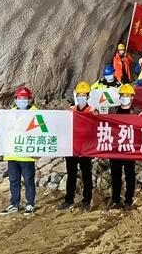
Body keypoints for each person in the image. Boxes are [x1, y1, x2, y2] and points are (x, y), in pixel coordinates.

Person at [0, 86, 38, 216]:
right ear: (15, 100)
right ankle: (14, 204)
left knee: (28, 181)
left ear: (29, 99)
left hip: (27, 155)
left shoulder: (36, 114)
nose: (22, 101)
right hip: (12, 153)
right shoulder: (9, 114)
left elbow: (42, 130)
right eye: (20, 98)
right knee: (13, 181)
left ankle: (30, 204)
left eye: (25, 98)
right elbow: (2, 127)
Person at [58, 81, 94, 211]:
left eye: (84, 95)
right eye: (79, 95)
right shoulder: (71, 110)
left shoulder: (92, 111)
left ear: (88, 96)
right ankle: (69, 199)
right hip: (72, 148)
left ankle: (86, 200)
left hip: (85, 149)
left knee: (86, 175)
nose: (81, 97)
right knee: (71, 175)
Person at [108, 83, 137, 210]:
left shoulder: (136, 113)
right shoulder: (112, 110)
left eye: (127, 95)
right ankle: (115, 200)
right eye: (122, 95)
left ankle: (128, 201)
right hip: (115, 148)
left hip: (129, 149)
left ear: (132, 97)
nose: (125, 98)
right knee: (115, 175)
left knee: (130, 175)